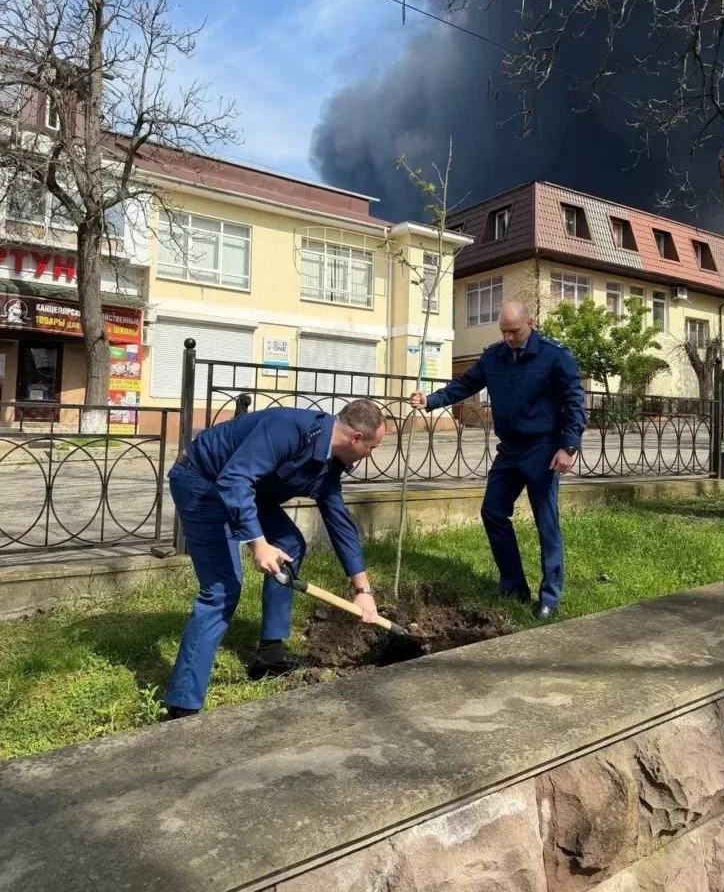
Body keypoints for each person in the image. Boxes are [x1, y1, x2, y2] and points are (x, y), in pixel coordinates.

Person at [163, 399, 386, 719]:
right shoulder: (288, 428)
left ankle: (269, 655)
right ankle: (183, 705)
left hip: (248, 491)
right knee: (222, 588)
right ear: (355, 439)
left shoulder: (328, 462)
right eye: (372, 447)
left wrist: (362, 590)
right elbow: (233, 480)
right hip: (204, 482)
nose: (370, 455)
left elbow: (339, 521)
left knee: (289, 546)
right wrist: (257, 543)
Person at [411, 301, 586, 621]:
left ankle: (549, 596)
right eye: (503, 332)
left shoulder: (554, 355)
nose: (508, 338)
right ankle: (513, 586)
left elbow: (575, 401)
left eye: (514, 331)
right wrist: (431, 400)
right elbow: (465, 385)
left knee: (546, 523)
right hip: (509, 450)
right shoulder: (494, 356)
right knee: (492, 511)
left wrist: (569, 447)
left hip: (543, 449)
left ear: (529, 323)